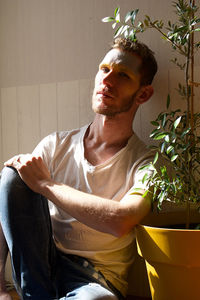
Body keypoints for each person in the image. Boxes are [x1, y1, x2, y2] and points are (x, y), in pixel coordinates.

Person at [0, 37, 157, 300]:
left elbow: (121, 220)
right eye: (104, 69)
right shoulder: (56, 144)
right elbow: (8, 202)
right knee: (13, 174)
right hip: (40, 267)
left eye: (123, 75)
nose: (107, 80)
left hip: (96, 280)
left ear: (143, 94)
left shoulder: (147, 162)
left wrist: (46, 185)